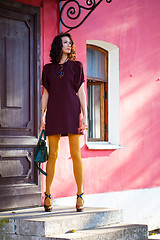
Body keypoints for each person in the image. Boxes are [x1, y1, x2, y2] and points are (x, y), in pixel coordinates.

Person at [40, 32, 88, 212]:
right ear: (58, 46)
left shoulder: (77, 66)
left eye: (70, 42)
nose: (69, 45)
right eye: (65, 42)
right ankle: (48, 195)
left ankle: (80, 194)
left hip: (72, 111)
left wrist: (85, 115)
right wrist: (42, 116)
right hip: (53, 112)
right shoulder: (48, 69)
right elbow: (46, 94)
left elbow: (81, 92)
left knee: (76, 154)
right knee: (52, 154)